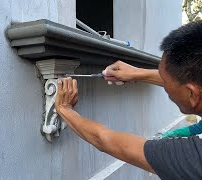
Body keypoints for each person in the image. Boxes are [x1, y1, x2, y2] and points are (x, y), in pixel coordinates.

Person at [55, 20, 202, 180]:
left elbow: (104, 140)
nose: (164, 85)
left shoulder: (193, 158)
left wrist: (64, 108)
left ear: (192, 94)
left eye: (165, 81)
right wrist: (137, 73)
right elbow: (181, 80)